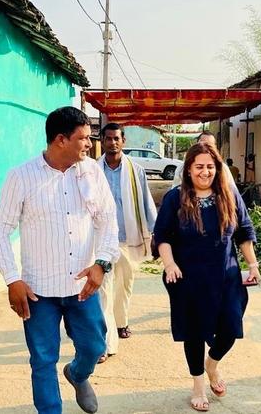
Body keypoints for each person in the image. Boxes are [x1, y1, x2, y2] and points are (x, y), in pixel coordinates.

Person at [0, 106, 119, 414]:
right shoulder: (21, 176)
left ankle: (77, 374)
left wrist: (101, 264)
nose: (90, 144)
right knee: (42, 359)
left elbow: (108, 221)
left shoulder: (91, 172)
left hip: (82, 286)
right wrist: (12, 279)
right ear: (61, 140)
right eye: (84, 138)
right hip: (38, 291)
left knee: (94, 346)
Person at [155, 142, 260, 412]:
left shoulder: (228, 195)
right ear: (188, 169)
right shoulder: (175, 198)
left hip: (225, 275)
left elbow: (244, 232)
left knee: (231, 327)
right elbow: (163, 237)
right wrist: (169, 265)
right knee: (194, 332)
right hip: (187, 278)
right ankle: (198, 385)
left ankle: (212, 364)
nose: (205, 172)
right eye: (199, 167)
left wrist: (253, 265)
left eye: (210, 167)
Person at [96, 123, 157, 362]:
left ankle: (121, 322)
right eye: (108, 138)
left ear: (124, 140)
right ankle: (106, 341)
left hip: (127, 237)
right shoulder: (92, 169)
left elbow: (146, 202)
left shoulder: (135, 170)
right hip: (101, 240)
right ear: (102, 140)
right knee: (103, 290)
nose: (112, 143)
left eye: (116, 138)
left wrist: (156, 234)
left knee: (124, 285)